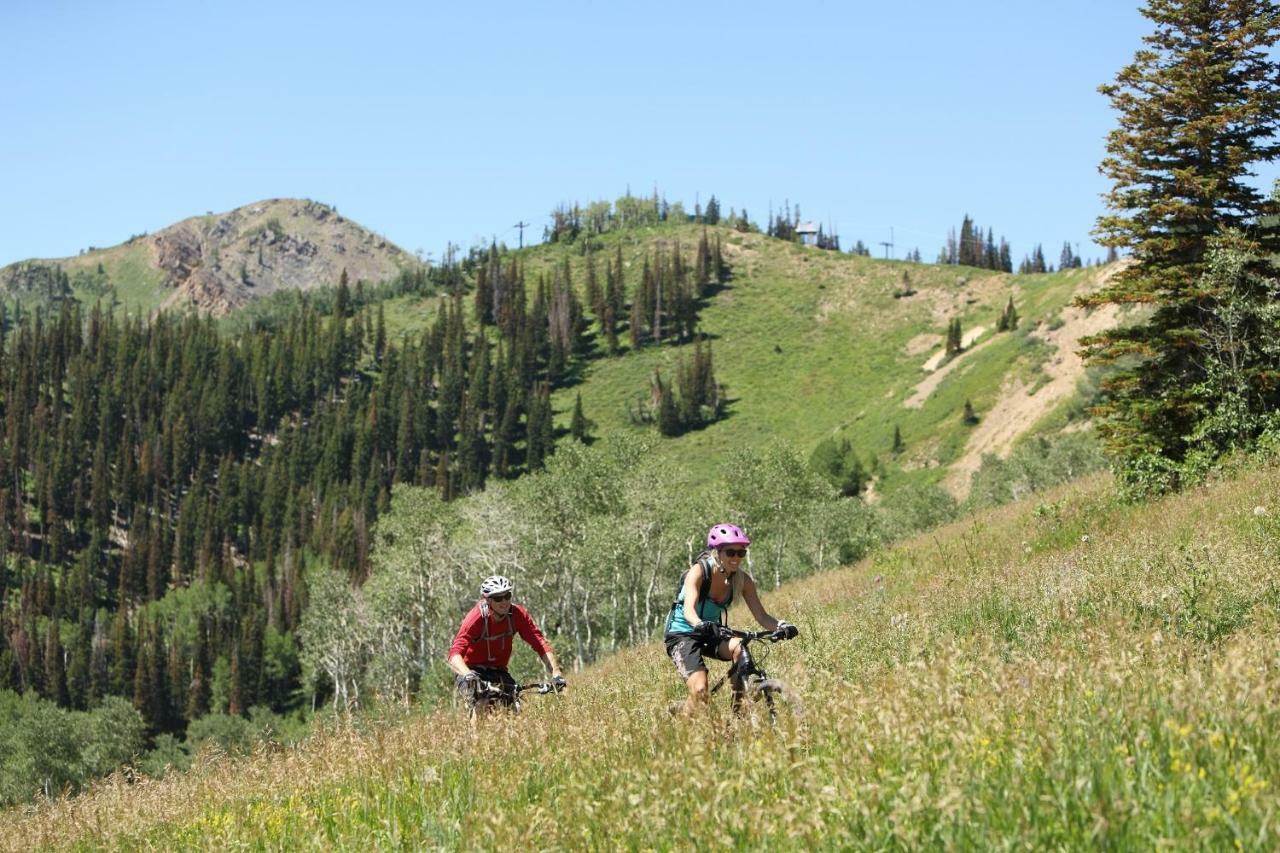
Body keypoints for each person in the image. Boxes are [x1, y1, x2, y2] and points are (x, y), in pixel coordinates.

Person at [664, 523, 799, 715]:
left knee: (740, 647)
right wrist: (699, 624)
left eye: (741, 553)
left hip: (712, 631)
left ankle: (738, 716)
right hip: (683, 633)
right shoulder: (699, 572)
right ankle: (680, 714)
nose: (736, 558)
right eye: (730, 552)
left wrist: (782, 626)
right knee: (700, 691)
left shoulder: (742, 581)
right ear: (717, 552)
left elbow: (761, 616)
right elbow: (688, 611)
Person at [447, 575, 566, 712]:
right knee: (481, 702)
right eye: (498, 598)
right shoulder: (476, 618)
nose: (504, 602)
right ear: (488, 600)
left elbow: (540, 644)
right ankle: (476, 734)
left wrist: (556, 673)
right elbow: (454, 654)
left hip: (498, 670)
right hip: (471, 670)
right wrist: (468, 675)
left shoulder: (517, 615)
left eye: (507, 596)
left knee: (515, 708)